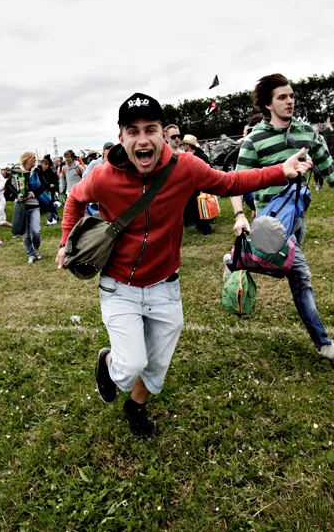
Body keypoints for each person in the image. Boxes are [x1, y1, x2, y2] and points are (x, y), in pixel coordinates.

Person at [57, 92, 313, 439]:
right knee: (129, 365)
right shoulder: (103, 177)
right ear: (122, 138)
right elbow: (74, 199)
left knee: (157, 369)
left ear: (164, 133)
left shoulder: (185, 168)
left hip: (165, 286)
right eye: (133, 131)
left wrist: (280, 172)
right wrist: (64, 243)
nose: (143, 139)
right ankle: (107, 362)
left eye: (151, 129)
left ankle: (135, 407)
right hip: (119, 287)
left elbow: (229, 183)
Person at [231, 74, 334, 364]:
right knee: (300, 276)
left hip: (297, 218)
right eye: (282, 97)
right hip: (268, 221)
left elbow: (325, 161)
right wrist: (239, 215)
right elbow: (236, 182)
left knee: (279, 268)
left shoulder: (307, 132)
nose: (290, 101)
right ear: (268, 105)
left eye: (291, 95)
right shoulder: (254, 140)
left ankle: (234, 260)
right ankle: (323, 343)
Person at [14, 152, 43, 263]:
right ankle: (30, 254)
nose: (35, 160)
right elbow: (9, 185)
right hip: (21, 205)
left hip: (34, 204)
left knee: (36, 231)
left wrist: (33, 193)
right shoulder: (16, 171)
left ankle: (36, 248)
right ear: (28, 159)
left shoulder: (36, 171)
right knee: (25, 234)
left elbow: (43, 185)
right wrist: (17, 194)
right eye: (33, 158)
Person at [38, 155, 60, 225]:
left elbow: (56, 180)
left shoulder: (51, 171)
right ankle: (54, 216)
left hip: (51, 190)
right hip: (44, 190)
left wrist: (54, 185)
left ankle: (53, 217)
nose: (46, 166)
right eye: (45, 164)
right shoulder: (39, 172)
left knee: (51, 203)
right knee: (49, 204)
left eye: (47, 164)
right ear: (42, 164)